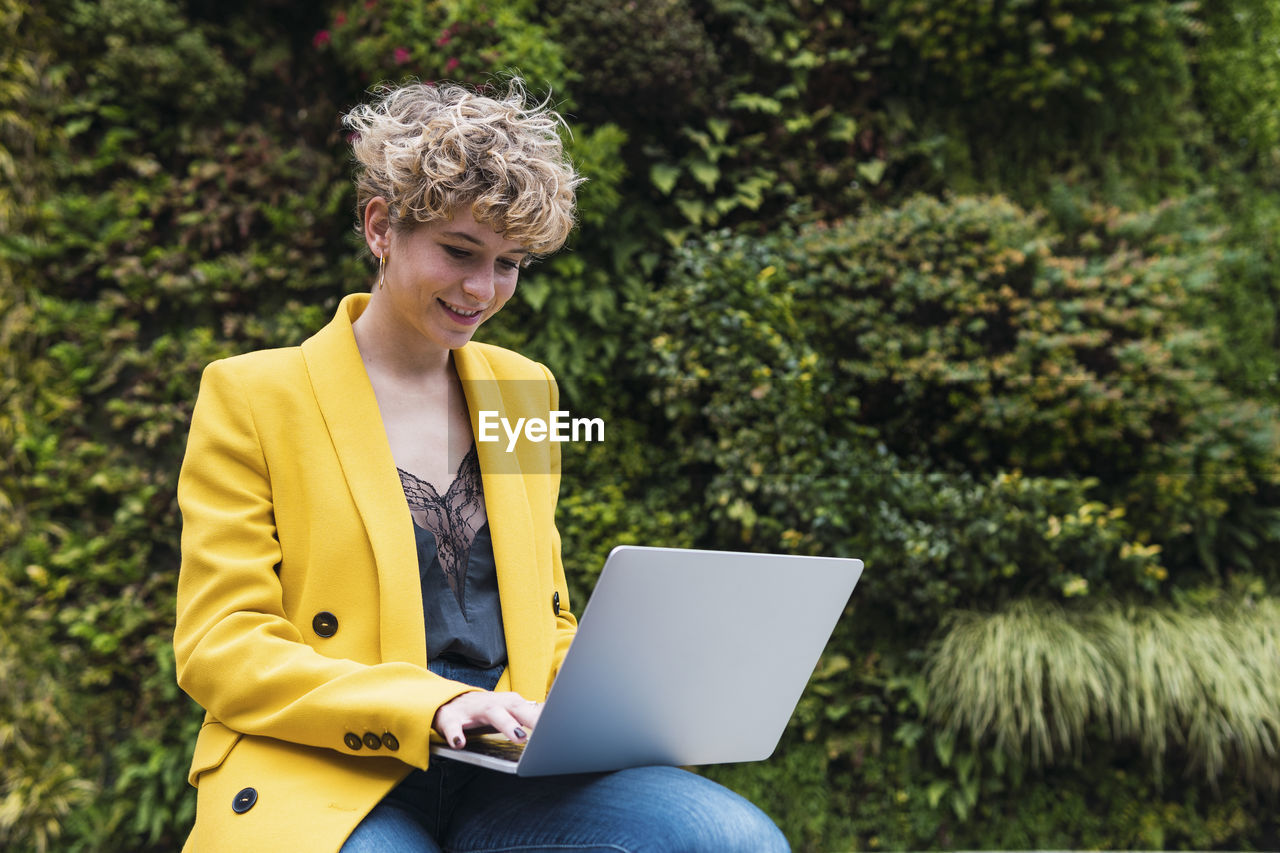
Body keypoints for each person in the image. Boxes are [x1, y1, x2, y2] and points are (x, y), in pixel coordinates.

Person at [173, 79, 790, 852]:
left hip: (505, 764)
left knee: (732, 838)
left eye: (509, 263)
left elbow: (546, 616)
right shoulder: (254, 395)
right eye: (460, 252)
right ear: (380, 227)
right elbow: (222, 644)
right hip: (331, 763)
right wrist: (425, 705)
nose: (481, 290)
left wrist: (636, 699)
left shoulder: (525, 392)